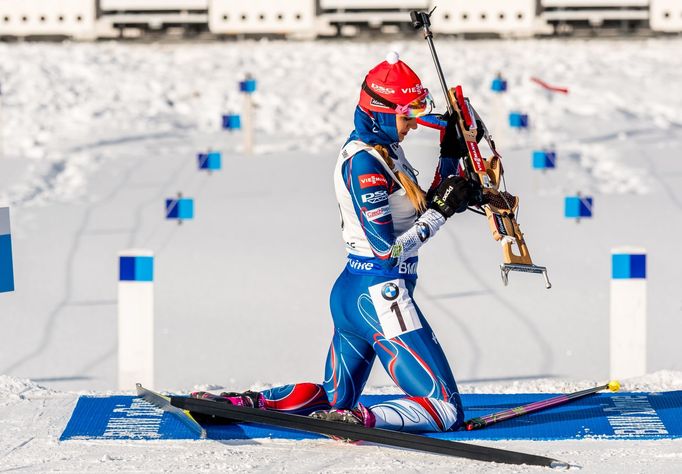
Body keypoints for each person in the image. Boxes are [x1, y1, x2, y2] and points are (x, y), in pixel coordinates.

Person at [194, 52, 481, 433]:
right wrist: (441, 214)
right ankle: (362, 420)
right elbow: (388, 249)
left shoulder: (385, 147)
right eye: (406, 115)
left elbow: (412, 209)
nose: (413, 124)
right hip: (379, 294)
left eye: (416, 113)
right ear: (379, 111)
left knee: (333, 399)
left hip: (355, 293)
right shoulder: (363, 163)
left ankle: (241, 404)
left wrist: (449, 159)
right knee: (444, 408)